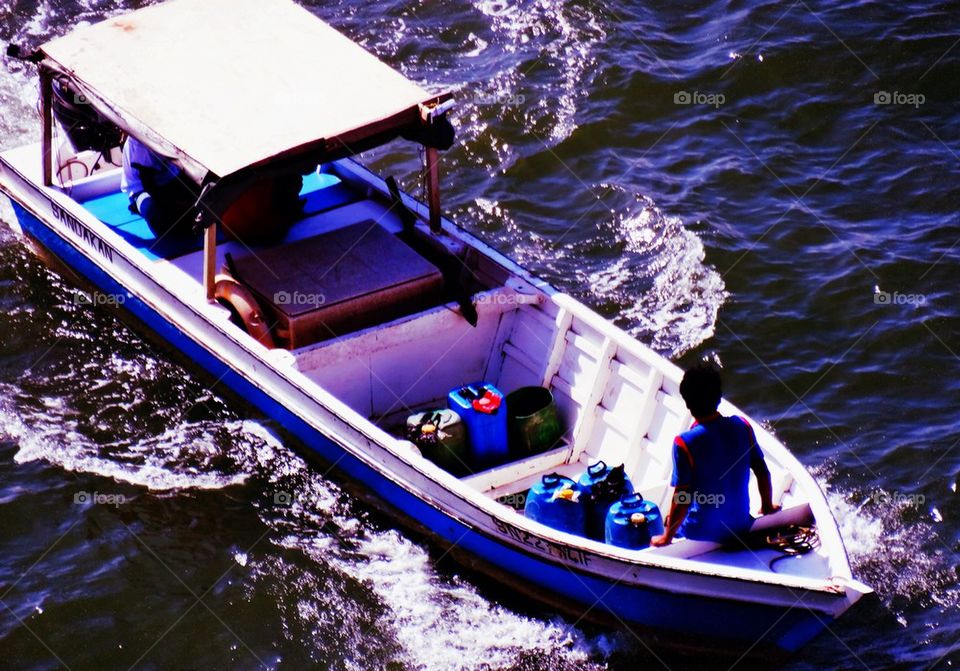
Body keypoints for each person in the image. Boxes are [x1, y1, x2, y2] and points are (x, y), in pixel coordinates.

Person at [651, 362, 779, 546]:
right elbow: (762, 470)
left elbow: (682, 496)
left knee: (667, 518)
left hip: (701, 532)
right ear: (719, 398)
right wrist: (767, 505)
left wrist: (666, 537)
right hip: (741, 525)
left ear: (687, 403)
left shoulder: (684, 443)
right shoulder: (743, 426)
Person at [121, 136, 199, 241]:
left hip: (168, 178)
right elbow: (151, 189)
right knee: (153, 210)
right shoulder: (142, 142)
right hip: (141, 189)